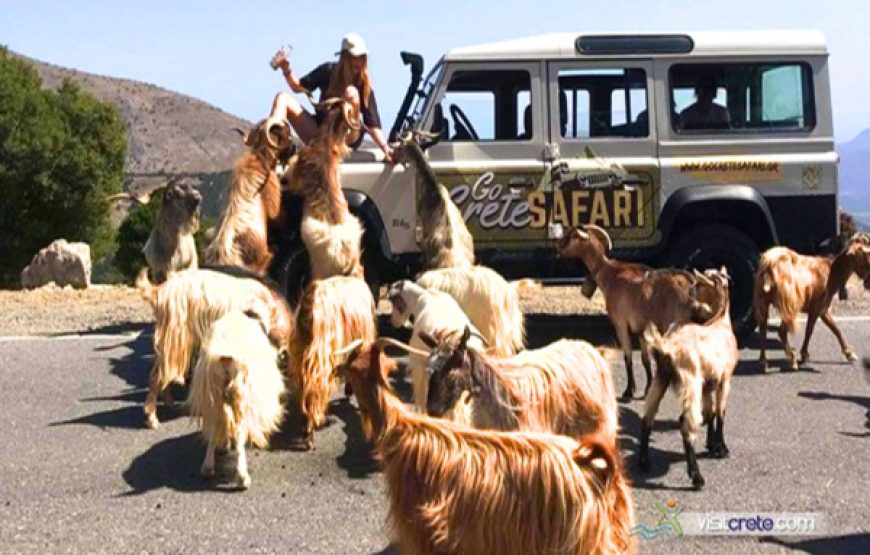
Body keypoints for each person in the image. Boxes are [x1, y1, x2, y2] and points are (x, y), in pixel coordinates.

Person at [269, 33, 394, 162]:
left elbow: (373, 125)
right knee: (282, 98)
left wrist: (385, 148)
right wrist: (286, 69)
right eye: (354, 57)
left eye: (362, 57)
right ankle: (270, 145)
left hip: (348, 138)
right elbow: (298, 86)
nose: (359, 61)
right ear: (344, 57)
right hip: (322, 133)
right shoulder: (328, 71)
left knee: (351, 92)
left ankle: (335, 145)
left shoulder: (363, 83)